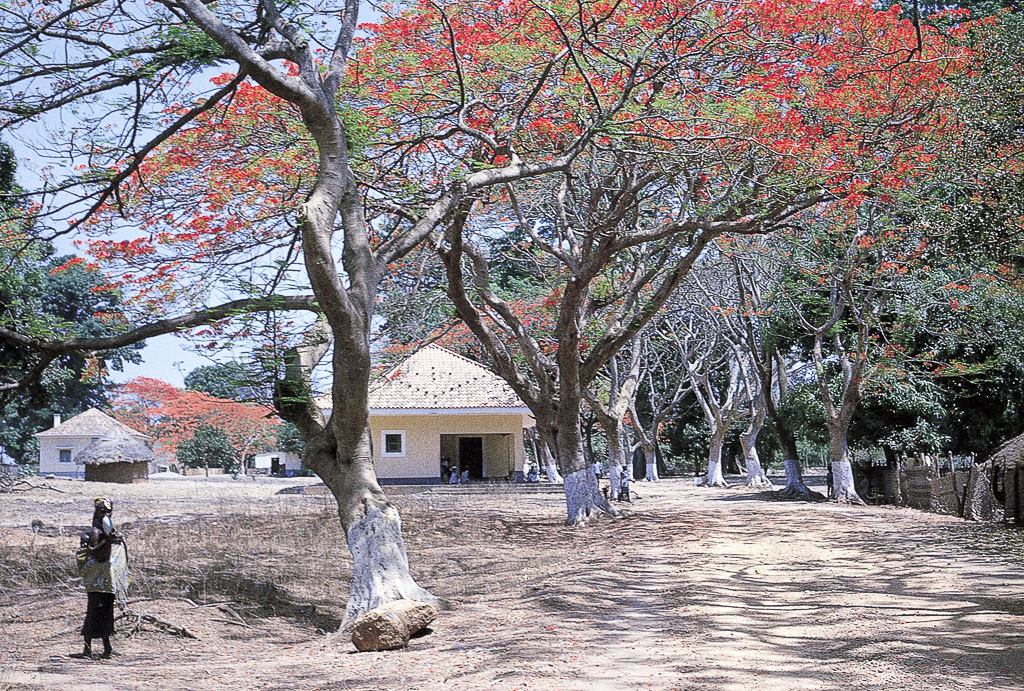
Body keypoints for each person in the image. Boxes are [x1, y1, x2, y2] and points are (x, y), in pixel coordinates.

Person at [75, 497, 130, 659]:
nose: (105, 515)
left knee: (106, 614)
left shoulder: (106, 532)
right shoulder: (95, 532)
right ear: (96, 512)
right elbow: (97, 554)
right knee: (94, 613)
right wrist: (108, 542)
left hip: (106, 581)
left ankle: (107, 648)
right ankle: (87, 648)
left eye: (107, 512)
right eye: (101, 511)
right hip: (97, 581)